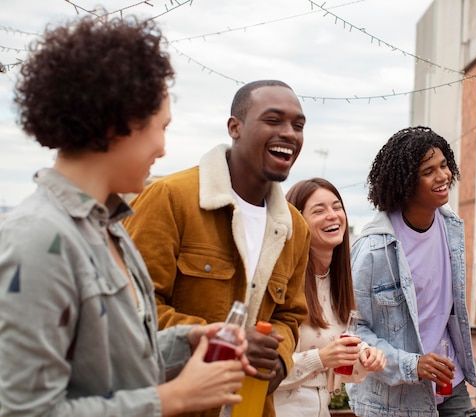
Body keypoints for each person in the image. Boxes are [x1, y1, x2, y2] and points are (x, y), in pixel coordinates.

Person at [0, 16, 251, 417]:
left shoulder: (109, 230)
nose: (164, 148)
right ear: (119, 120)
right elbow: (24, 411)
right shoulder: (38, 238)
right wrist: (172, 399)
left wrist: (184, 341)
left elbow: (110, 368)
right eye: (162, 127)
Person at [123, 80, 310, 417]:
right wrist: (226, 343)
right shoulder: (170, 198)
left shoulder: (295, 227)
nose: (290, 134)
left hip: (250, 407)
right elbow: (132, 309)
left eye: (298, 125)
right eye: (273, 120)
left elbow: (290, 316)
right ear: (234, 128)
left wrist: (278, 358)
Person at [347, 127, 476, 417]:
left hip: (449, 380)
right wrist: (412, 364)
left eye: (444, 165)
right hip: (396, 399)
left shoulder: (452, 228)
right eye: (428, 171)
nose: (443, 176)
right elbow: (353, 328)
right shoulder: (373, 248)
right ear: (405, 182)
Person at [274, 178, 386, 417]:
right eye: (319, 210)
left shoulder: (338, 283)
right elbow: (261, 368)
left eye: (337, 207)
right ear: (297, 220)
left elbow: (341, 370)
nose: (333, 215)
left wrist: (364, 355)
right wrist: (321, 358)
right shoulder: (281, 282)